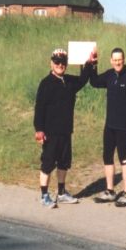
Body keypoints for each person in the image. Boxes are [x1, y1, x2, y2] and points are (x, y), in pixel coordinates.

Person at [33, 47, 94, 208]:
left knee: (64, 162)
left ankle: (61, 193)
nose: (60, 65)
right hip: (50, 132)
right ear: (51, 63)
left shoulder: (68, 81)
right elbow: (39, 109)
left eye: (63, 62)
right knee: (48, 163)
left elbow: (82, 80)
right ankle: (44, 196)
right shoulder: (45, 83)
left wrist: (88, 63)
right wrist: (39, 130)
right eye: (57, 62)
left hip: (66, 130)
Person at [89, 47, 126, 207]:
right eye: (115, 60)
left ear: (124, 60)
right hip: (110, 125)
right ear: (111, 61)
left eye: (120, 60)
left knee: (123, 157)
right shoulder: (109, 75)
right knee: (107, 156)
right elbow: (94, 82)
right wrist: (92, 65)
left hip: (124, 126)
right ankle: (110, 191)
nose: (118, 62)